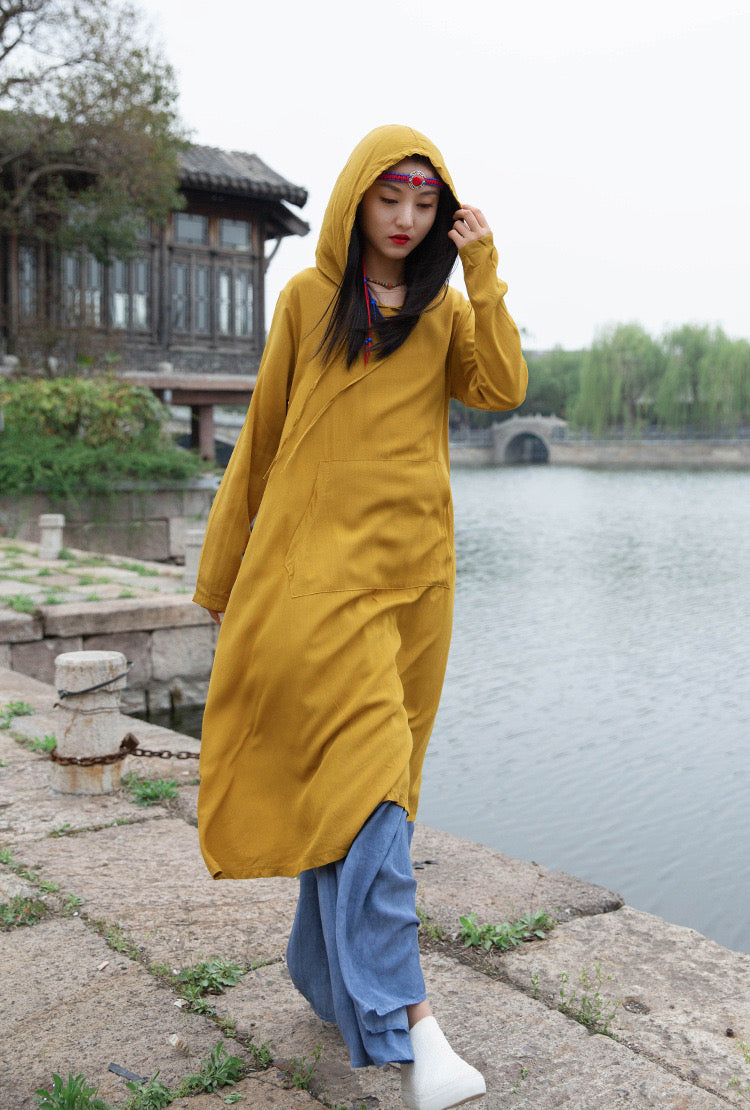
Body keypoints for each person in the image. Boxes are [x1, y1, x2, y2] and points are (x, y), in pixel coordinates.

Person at [193, 123, 528, 1110]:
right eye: (391, 199)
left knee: (360, 796)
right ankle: (410, 1026)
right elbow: (258, 444)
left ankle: (320, 972)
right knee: (377, 793)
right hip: (312, 592)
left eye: (425, 203)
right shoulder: (307, 301)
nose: (407, 218)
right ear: (357, 200)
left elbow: (502, 388)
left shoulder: (443, 314)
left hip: (411, 594)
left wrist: (483, 270)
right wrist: (221, 585)